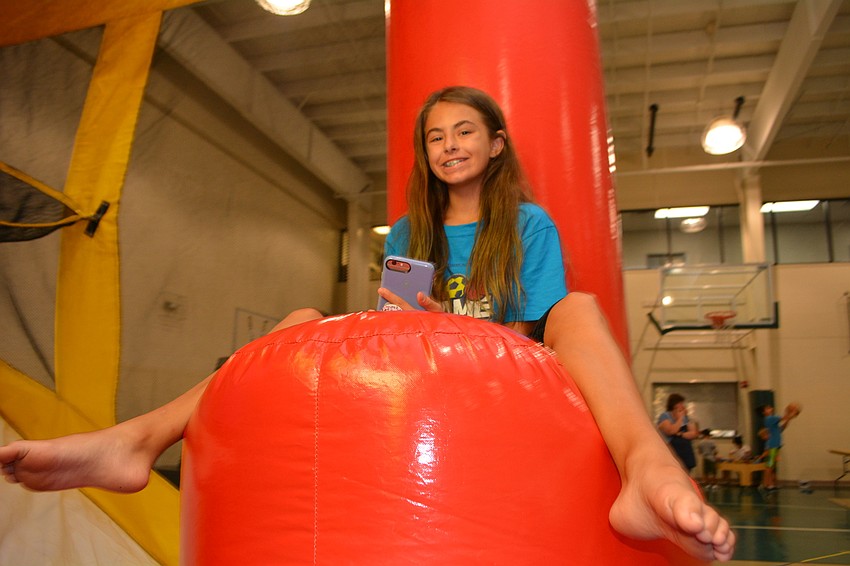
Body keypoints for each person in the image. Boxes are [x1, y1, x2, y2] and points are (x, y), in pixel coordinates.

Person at [1, 86, 735, 562]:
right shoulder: (408, 230)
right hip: (423, 378)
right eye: (435, 136)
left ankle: (647, 468)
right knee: (298, 318)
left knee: (579, 307)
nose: (449, 145)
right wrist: (423, 325)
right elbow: (390, 330)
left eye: (465, 131)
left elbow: (542, 336)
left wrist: (467, 328)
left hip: (509, 373)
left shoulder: (529, 225)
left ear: (496, 145)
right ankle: (138, 439)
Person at [759, 403, 800, 490]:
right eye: (767, 408)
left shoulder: (773, 421)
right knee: (769, 465)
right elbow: (784, 417)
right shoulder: (770, 418)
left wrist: (790, 417)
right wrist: (790, 412)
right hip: (772, 446)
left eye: (770, 407)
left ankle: (769, 484)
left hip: (776, 445)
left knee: (771, 465)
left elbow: (782, 428)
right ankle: (766, 484)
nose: (770, 408)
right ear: (764, 412)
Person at [656, 393, 699, 474]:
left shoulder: (685, 417)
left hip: (685, 454)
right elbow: (671, 431)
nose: (683, 406)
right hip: (672, 452)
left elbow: (693, 433)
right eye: (681, 404)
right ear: (674, 405)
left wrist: (681, 434)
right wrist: (679, 418)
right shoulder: (665, 416)